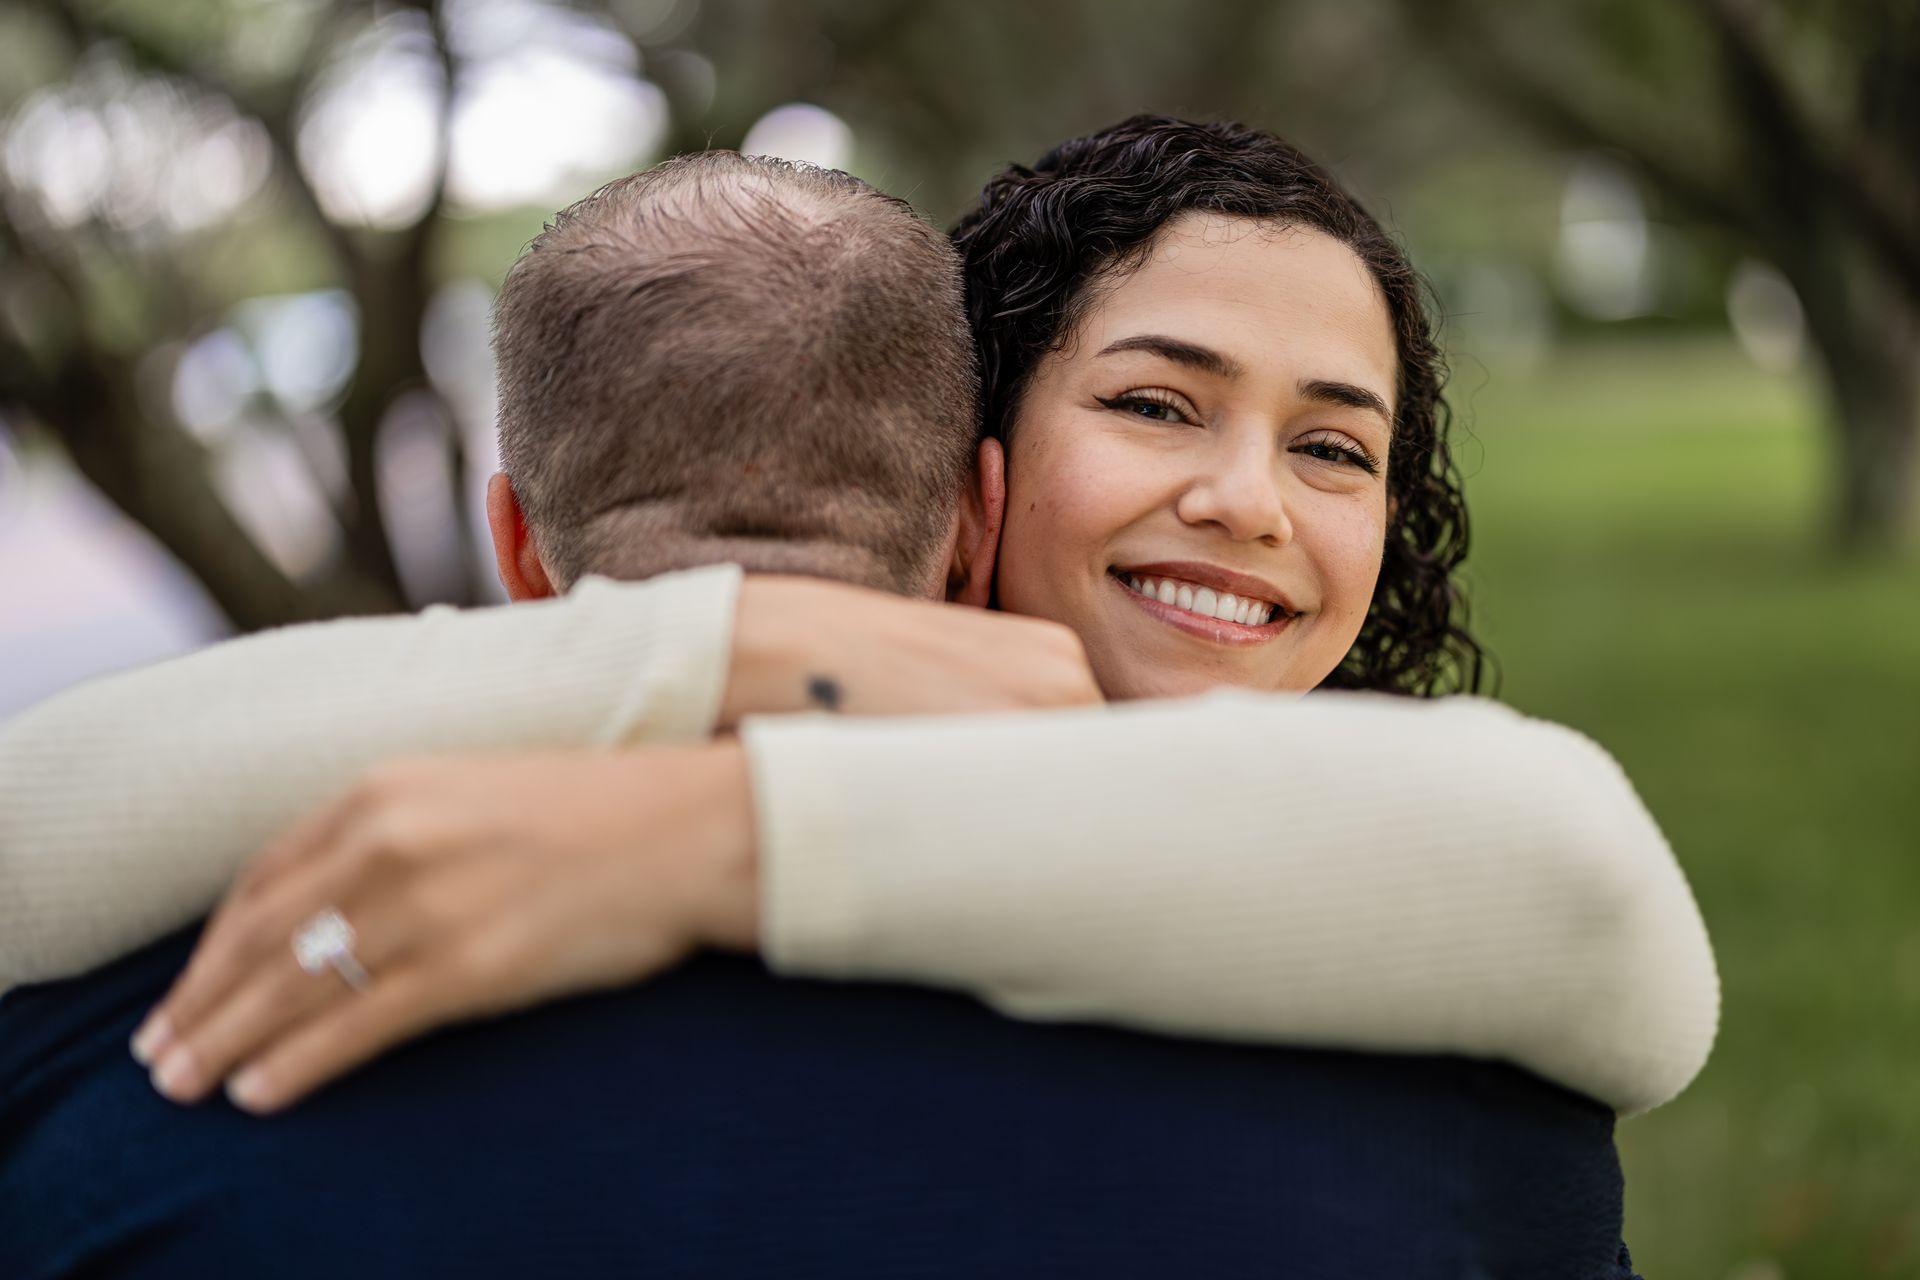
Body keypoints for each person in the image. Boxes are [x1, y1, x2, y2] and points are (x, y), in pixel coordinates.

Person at [0, 122, 1706, 1275]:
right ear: (978, 489)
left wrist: (691, 817)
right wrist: (709, 658)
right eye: (1158, 406)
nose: (1250, 500)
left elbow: (1571, 869)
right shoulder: (1458, 1102)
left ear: (516, 537)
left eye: (1336, 446)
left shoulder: (1425, 912)